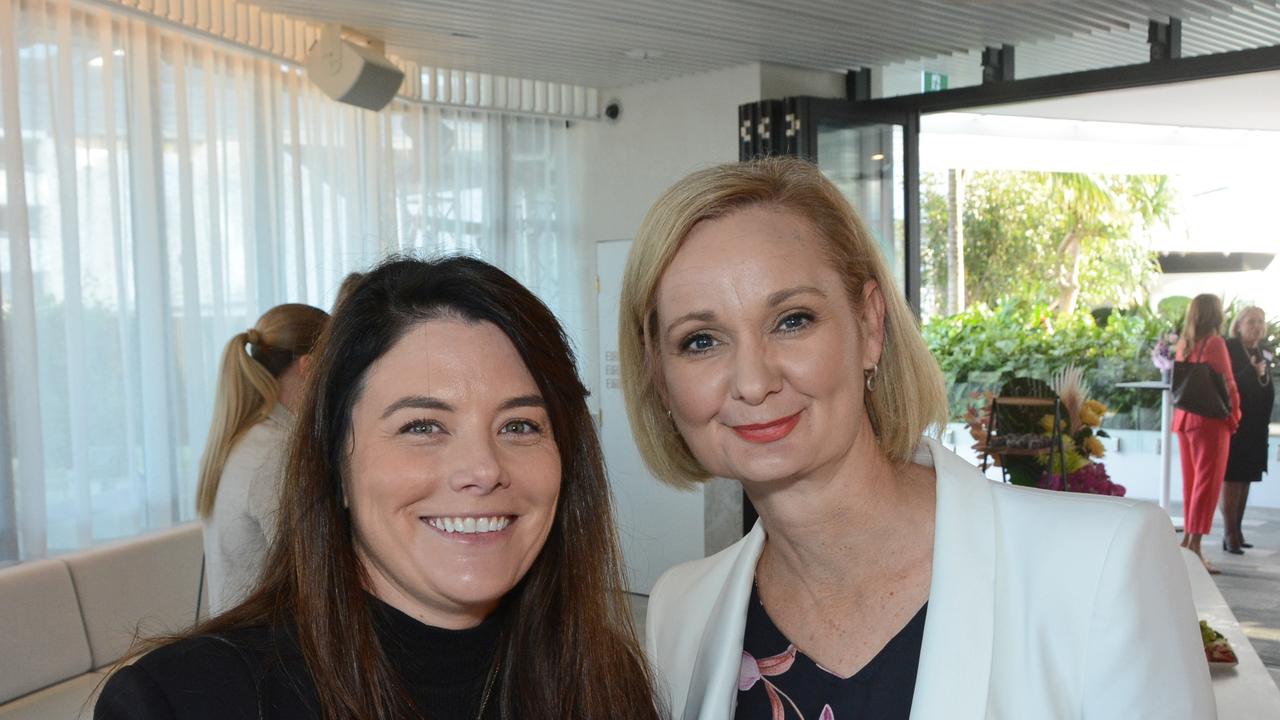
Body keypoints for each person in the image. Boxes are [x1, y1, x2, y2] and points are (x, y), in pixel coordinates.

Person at [619, 158, 1212, 719]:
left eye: (792, 320)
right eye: (701, 340)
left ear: (870, 325)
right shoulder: (682, 611)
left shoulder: (1099, 566)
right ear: (660, 377)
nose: (752, 382)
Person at [97, 256, 659, 719]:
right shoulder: (179, 702)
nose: (483, 469)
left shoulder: (604, 679)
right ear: (334, 466)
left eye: (519, 426)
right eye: (422, 427)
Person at [197, 303, 329, 614]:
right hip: (265, 647)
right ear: (309, 367)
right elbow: (313, 572)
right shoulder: (276, 453)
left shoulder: (247, 436)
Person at [1174, 293, 1241, 573]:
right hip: (1209, 422)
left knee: (1192, 485)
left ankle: (1188, 543)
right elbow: (1228, 385)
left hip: (1184, 418)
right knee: (1207, 484)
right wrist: (1235, 416)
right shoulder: (1214, 343)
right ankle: (1196, 548)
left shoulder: (1184, 343)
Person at [1221, 306, 1273, 554]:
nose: (1257, 326)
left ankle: (1238, 531)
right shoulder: (1229, 347)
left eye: (1261, 321)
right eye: (1251, 321)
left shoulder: (1263, 351)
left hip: (1256, 425)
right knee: (1233, 478)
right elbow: (1224, 381)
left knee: (1247, 478)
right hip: (1236, 424)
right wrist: (1249, 372)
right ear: (1238, 325)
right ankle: (1229, 533)